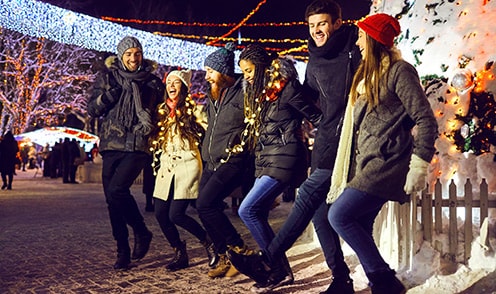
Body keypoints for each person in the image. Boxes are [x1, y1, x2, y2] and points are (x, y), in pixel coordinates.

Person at [227, 1, 361, 293]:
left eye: (322, 24)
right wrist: (288, 89)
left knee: (306, 201)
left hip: (347, 143)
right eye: (312, 26)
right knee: (320, 214)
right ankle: (342, 279)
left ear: (337, 23)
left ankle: (268, 261)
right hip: (325, 146)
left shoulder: (354, 52)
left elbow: (354, 100)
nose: (316, 31)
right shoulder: (314, 59)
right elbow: (312, 101)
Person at [327, 13, 438, 294]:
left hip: (387, 162)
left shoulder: (400, 72)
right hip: (366, 162)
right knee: (360, 223)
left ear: (375, 39)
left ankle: (384, 280)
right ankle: (383, 283)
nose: (358, 42)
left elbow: (425, 119)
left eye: (362, 36)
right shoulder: (366, 75)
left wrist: (420, 165)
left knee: (339, 216)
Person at [230, 44, 322, 291]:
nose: (247, 76)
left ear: (261, 67)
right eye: (244, 72)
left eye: (249, 71)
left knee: (247, 209)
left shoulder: (287, 88)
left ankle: (275, 268)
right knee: (255, 212)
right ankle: (281, 271)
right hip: (269, 159)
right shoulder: (263, 94)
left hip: (286, 157)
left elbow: (318, 117)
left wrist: (321, 148)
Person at [87, 35, 165, 271]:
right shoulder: (108, 78)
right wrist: (111, 95)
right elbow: (92, 109)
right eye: (129, 54)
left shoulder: (152, 82)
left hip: (138, 145)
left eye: (137, 53)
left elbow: (160, 112)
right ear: (121, 56)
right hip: (112, 145)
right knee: (113, 201)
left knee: (117, 190)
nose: (133, 58)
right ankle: (123, 251)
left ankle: (141, 231)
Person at [195, 42, 255, 279]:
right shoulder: (213, 97)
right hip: (212, 160)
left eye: (211, 71)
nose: (207, 75)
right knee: (202, 206)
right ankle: (224, 256)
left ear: (223, 72)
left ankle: (239, 248)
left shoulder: (243, 92)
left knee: (205, 204)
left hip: (232, 159)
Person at [149, 69, 215, 272]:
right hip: (167, 166)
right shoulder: (161, 111)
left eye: (176, 83)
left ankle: (209, 242)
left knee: (176, 214)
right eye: (169, 82)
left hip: (188, 164)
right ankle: (179, 251)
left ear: (184, 87)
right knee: (160, 213)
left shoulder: (193, 110)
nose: (171, 86)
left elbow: (207, 133)